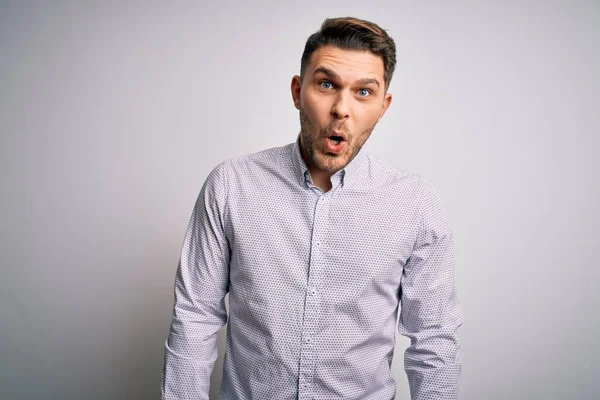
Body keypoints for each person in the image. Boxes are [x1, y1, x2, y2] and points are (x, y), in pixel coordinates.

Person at [161, 16, 463, 400]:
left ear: (384, 106)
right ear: (297, 91)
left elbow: (434, 342)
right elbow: (194, 319)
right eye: (326, 84)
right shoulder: (231, 185)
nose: (341, 109)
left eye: (363, 93)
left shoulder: (415, 204)